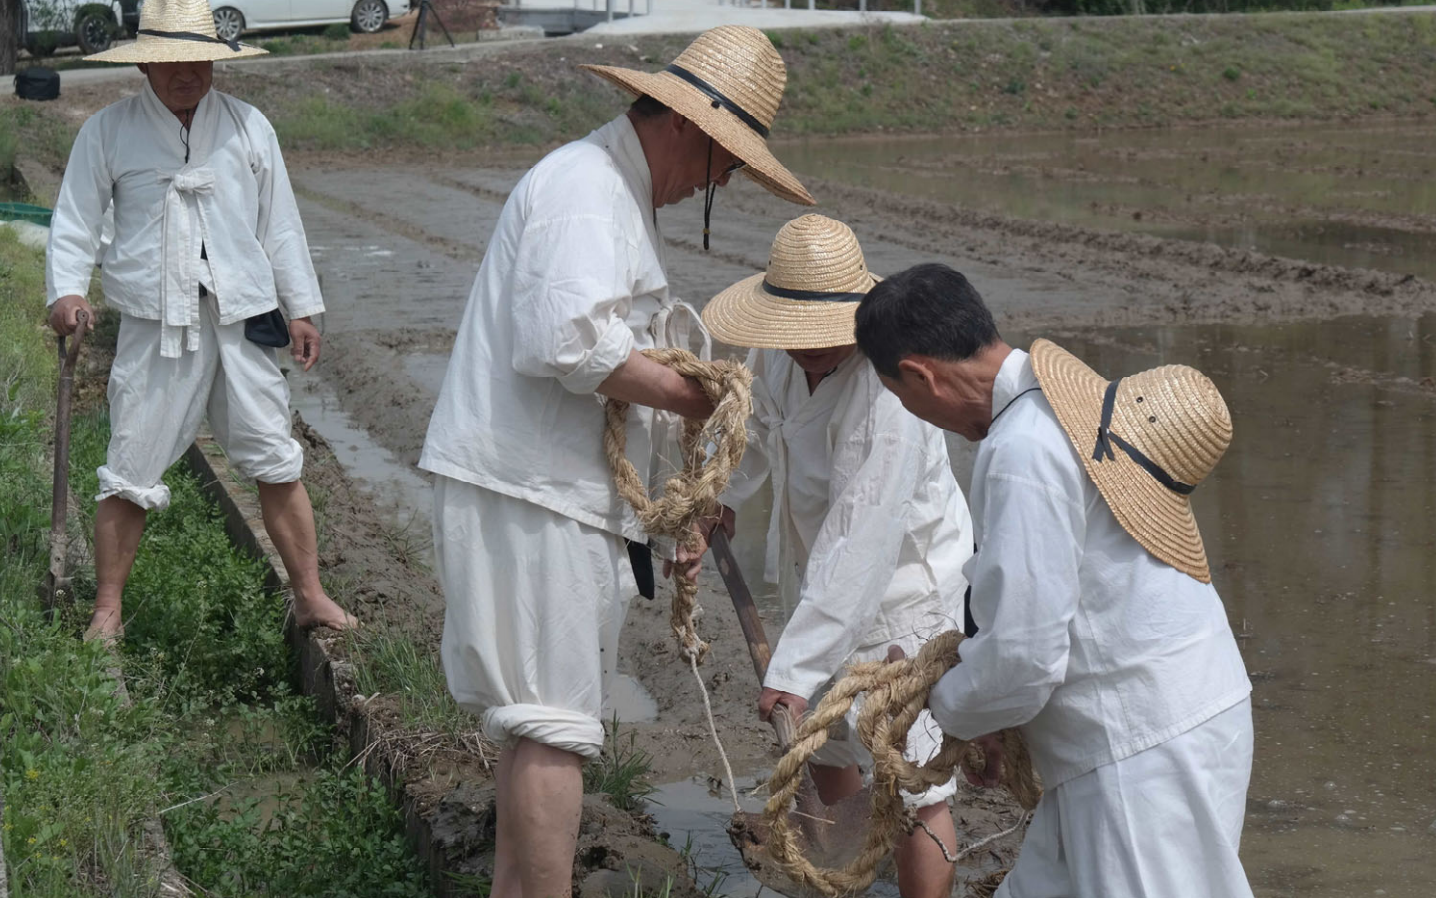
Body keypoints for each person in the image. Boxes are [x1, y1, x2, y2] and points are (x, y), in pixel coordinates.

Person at [417, 26, 814, 898]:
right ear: (689, 129)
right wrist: (704, 399)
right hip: (531, 494)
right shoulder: (587, 189)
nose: (717, 183)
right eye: (725, 165)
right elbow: (567, 343)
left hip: (547, 495)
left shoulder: (609, 193)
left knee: (541, 727)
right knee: (557, 730)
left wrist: (676, 491)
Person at [853, 263, 1254, 898]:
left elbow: (1023, 655)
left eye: (908, 401)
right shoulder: (1062, 413)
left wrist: (945, 703)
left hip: (1139, 744)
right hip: (1163, 716)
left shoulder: (1023, 449)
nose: (922, 417)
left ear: (920, 374)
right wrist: (988, 709)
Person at [45, 0, 355, 641]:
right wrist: (67, 294)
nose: (186, 71)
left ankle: (310, 596)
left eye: (198, 57)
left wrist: (302, 308)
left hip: (242, 321)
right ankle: (107, 609)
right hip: (157, 327)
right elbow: (75, 221)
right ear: (145, 67)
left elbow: (281, 222)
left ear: (215, 58)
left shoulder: (248, 127)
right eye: (170, 61)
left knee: (277, 459)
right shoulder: (108, 131)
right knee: (129, 466)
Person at [686, 215, 971, 898]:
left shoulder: (888, 390)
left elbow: (864, 537)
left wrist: (793, 664)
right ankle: (836, 879)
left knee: (911, 774)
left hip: (906, 593)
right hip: (821, 581)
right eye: (795, 335)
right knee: (823, 741)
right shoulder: (778, 356)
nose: (807, 349)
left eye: (824, 338)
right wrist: (717, 496)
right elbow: (749, 435)